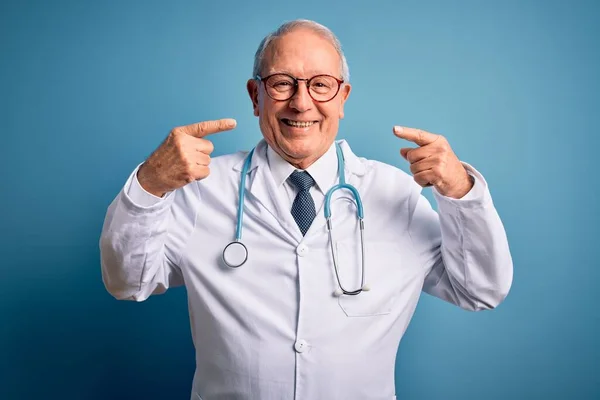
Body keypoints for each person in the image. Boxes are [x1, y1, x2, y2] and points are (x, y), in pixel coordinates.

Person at [99, 19, 513, 400]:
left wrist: (460, 190)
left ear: (343, 97)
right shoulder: (201, 191)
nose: (301, 103)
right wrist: (150, 183)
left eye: (320, 85)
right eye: (281, 84)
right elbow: (128, 282)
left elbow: (480, 289)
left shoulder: (396, 193)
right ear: (255, 95)